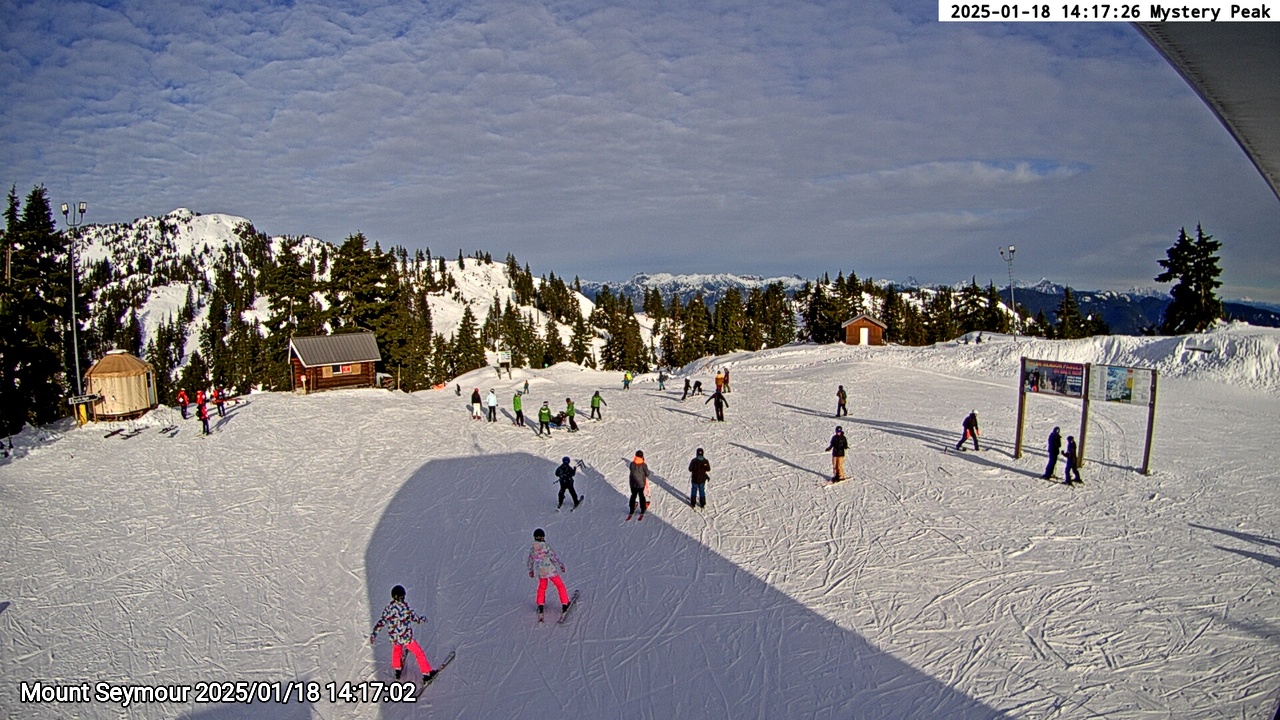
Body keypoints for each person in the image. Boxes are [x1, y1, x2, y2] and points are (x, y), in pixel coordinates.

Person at [370, 585, 437, 683]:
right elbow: (416, 619)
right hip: (406, 638)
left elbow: (382, 621)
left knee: (397, 651)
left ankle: (397, 669)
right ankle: (427, 673)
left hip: (395, 638)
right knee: (419, 653)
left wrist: (374, 634)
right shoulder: (406, 609)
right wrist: (422, 619)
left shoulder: (388, 609)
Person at [527, 529, 571, 620]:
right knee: (560, 585)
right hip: (551, 571)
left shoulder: (532, 550)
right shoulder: (546, 547)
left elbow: (530, 561)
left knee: (542, 587)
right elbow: (553, 556)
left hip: (541, 572)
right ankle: (565, 603)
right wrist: (560, 565)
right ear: (543, 537)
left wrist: (531, 570)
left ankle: (540, 605)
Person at [628, 450, 650, 519]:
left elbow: (631, 469)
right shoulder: (643, 465)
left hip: (633, 483)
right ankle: (642, 509)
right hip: (640, 484)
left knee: (633, 495)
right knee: (641, 496)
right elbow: (647, 474)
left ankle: (631, 510)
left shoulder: (632, 464)